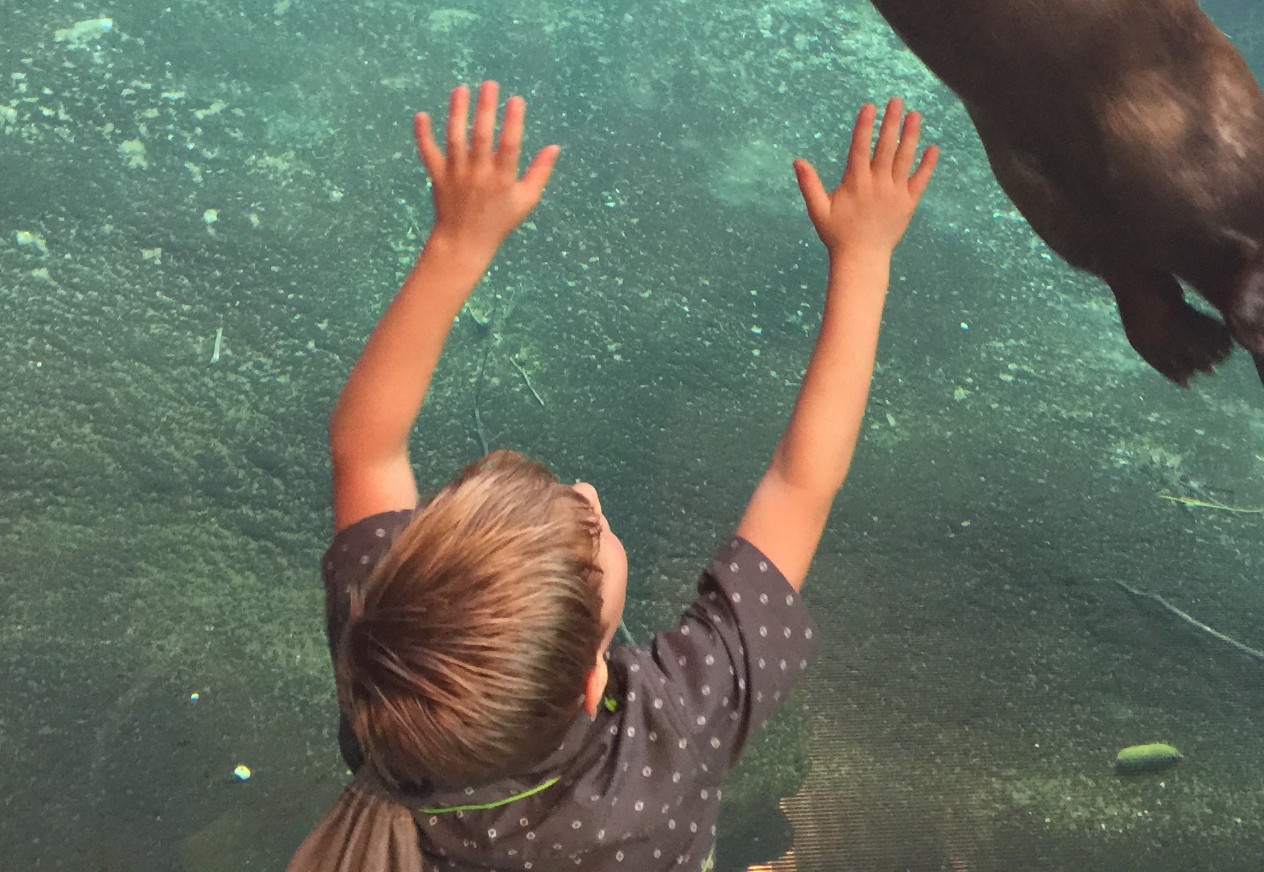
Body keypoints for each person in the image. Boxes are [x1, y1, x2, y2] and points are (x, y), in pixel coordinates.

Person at [290, 80, 938, 872]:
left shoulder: (388, 674)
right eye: (595, 532)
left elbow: (366, 448)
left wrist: (458, 243)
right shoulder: (672, 732)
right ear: (592, 684)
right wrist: (865, 256)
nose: (589, 491)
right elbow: (799, 485)